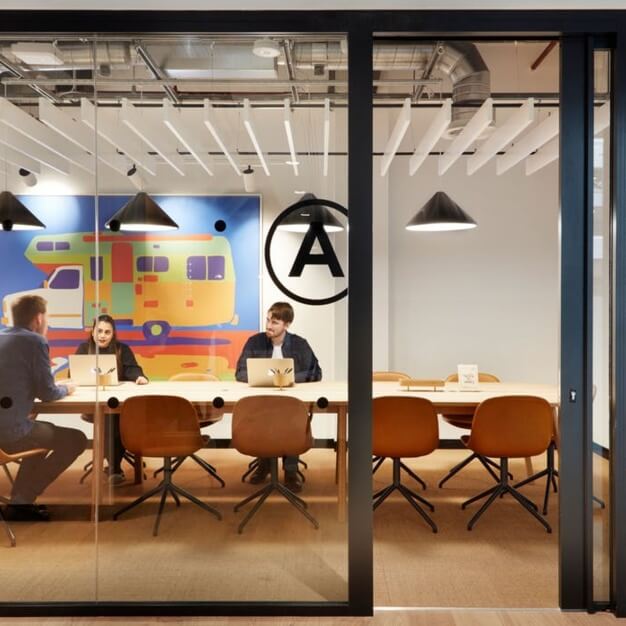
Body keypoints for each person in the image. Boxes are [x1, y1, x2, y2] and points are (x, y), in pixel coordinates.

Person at [0, 295, 86, 521]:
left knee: (40, 434)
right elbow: (47, 393)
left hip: (10, 427)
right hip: (11, 432)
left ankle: (21, 502)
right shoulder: (35, 342)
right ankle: (21, 500)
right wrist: (67, 389)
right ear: (38, 318)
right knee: (75, 439)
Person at [235, 301, 321, 493]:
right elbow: (240, 372)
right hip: (261, 402)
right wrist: (271, 379)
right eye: (267, 320)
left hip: (290, 402)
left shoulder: (300, 344)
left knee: (292, 419)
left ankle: (290, 471)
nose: (268, 326)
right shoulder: (254, 342)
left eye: (274, 322)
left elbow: (315, 373)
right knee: (261, 418)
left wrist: (287, 379)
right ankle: (265, 464)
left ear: (287, 324)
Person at [76, 314, 148, 485]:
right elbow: (75, 375)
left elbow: (133, 370)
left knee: (114, 418)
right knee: (110, 419)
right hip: (93, 405)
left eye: (107, 332)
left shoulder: (122, 349)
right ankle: (114, 467)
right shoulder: (84, 349)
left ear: (113, 334)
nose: (102, 335)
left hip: (120, 407)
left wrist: (139, 377)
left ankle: (113, 467)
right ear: (92, 331)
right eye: (99, 331)